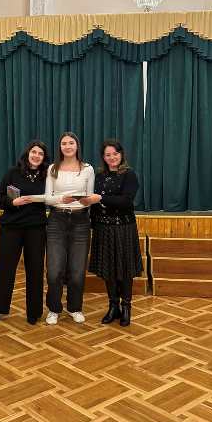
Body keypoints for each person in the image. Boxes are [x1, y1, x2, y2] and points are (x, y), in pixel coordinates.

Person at [0, 140, 50, 325]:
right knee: (4, 268)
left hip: (36, 229)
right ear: (27, 153)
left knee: (35, 270)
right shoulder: (13, 173)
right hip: (11, 227)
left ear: (44, 158)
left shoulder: (47, 176)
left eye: (40, 153)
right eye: (34, 152)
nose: (36, 156)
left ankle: (34, 313)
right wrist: (12, 202)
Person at [86, 139, 143, 326]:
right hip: (103, 228)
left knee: (125, 270)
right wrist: (93, 221)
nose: (112, 157)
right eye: (108, 155)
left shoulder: (129, 174)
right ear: (103, 157)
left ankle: (126, 307)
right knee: (108, 270)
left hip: (123, 228)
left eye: (115, 154)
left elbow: (126, 201)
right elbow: (94, 203)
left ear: (121, 154)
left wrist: (101, 198)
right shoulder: (99, 175)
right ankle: (113, 306)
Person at [44, 132, 94, 325]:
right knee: (54, 270)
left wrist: (88, 200)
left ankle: (75, 308)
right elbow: (48, 198)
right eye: (64, 143)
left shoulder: (88, 169)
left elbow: (89, 197)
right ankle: (54, 309)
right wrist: (61, 199)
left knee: (77, 270)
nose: (67, 146)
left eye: (71, 143)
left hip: (81, 221)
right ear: (60, 147)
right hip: (56, 220)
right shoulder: (52, 168)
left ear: (77, 146)